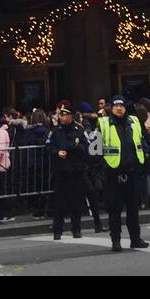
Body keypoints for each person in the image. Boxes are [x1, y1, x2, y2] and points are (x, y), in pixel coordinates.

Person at [98, 96, 149, 252]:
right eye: (116, 105)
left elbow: (142, 141)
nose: (119, 108)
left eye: (121, 105)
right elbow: (95, 149)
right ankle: (116, 241)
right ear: (111, 108)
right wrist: (104, 168)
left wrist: (145, 157)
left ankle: (135, 239)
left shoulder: (133, 121)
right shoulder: (104, 124)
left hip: (133, 172)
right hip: (114, 174)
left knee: (133, 208)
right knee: (115, 210)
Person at [47, 103, 87, 240]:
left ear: (70, 116)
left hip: (76, 170)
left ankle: (76, 229)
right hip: (61, 171)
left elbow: (84, 148)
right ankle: (57, 230)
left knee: (76, 201)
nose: (62, 117)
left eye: (64, 115)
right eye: (60, 115)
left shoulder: (79, 130)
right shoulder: (56, 131)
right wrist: (57, 152)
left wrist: (71, 148)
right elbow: (49, 147)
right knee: (59, 203)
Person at [79, 106, 104, 232]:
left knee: (91, 195)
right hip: (93, 166)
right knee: (93, 195)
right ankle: (97, 223)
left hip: (88, 166)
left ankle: (97, 223)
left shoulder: (87, 132)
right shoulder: (97, 132)